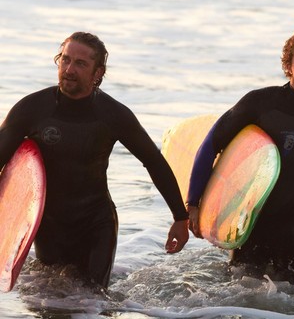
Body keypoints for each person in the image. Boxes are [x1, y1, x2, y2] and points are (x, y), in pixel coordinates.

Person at [0, 32, 189, 288]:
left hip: (96, 224)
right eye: (65, 60)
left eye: (80, 63)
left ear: (98, 72)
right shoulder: (31, 109)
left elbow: (153, 161)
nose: (69, 69)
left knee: (93, 302)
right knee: (49, 304)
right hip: (48, 225)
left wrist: (180, 217)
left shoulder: (113, 115)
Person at [186, 28, 294, 284]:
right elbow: (210, 145)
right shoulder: (261, 103)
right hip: (251, 223)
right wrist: (193, 203)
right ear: (288, 66)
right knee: (240, 292)